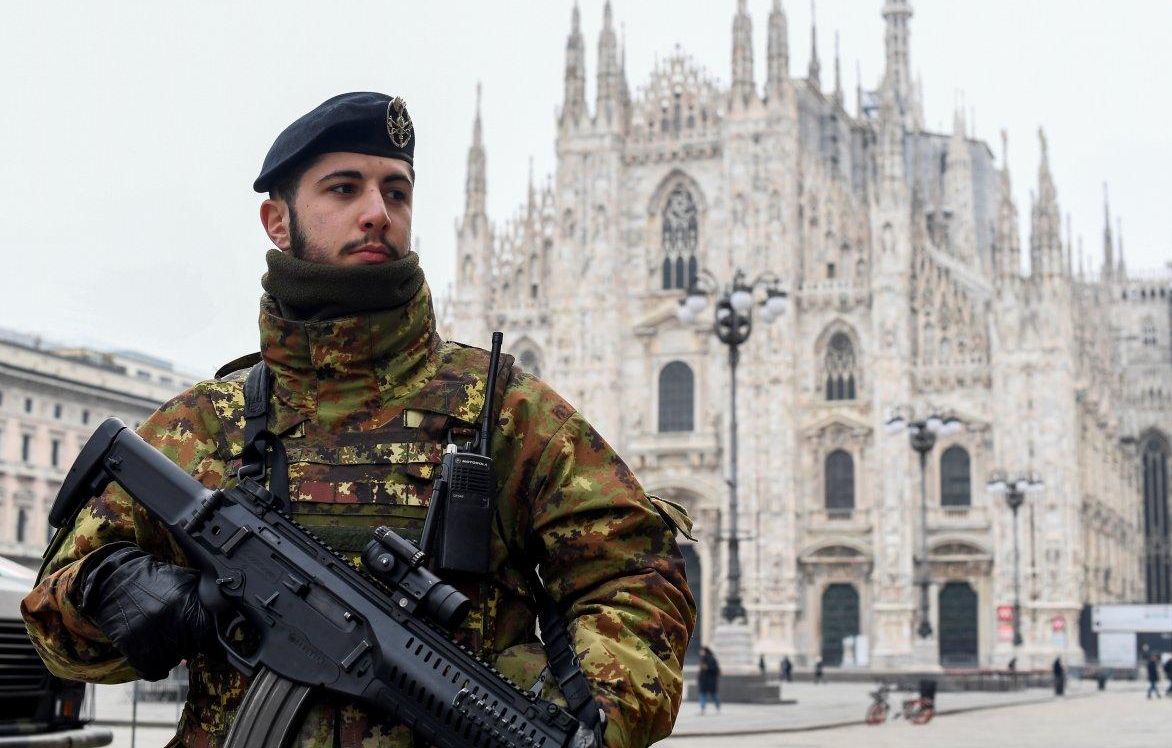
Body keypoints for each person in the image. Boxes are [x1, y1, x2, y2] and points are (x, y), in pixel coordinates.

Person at [21, 92, 697, 748]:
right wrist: (110, 592)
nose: (377, 212)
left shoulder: (506, 413)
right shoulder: (203, 426)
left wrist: (591, 716)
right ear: (277, 221)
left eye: (396, 192)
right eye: (344, 189)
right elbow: (54, 621)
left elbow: (637, 575)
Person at [697, 647, 721, 714]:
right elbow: (701, 671)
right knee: (702, 694)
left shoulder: (712, 659)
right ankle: (702, 709)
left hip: (711, 681)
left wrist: (707, 668)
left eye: (702, 651)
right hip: (704, 681)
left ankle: (718, 707)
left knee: (714, 695)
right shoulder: (702, 659)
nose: (701, 653)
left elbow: (715, 670)